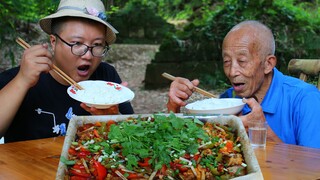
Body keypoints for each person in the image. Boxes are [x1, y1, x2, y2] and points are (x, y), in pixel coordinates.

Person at [166, 20, 320, 148]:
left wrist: (261, 132)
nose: (232, 71)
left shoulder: (305, 99)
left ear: (268, 64)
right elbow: (190, 149)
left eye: (242, 61)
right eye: (227, 61)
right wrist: (175, 107)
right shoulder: (228, 100)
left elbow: (314, 168)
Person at [0, 0, 134, 143]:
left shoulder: (106, 77)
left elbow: (134, 137)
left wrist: (114, 118)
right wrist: (22, 80)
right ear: (53, 42)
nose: (88, 55)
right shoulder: (18, 78)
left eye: (97, 45)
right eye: (77, 43)